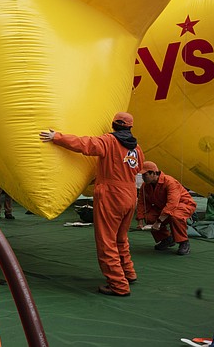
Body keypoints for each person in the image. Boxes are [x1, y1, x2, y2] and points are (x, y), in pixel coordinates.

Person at [40, 111, 143, 297]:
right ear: (130, 127)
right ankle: (128, 273)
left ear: (114, 125)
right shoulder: (137, 148)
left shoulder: (109, 141)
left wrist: (57, 137)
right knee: (121, 238)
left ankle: (119, 285)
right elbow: (137, 167)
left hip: (112, 195)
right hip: (130, 196)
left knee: (107, 242)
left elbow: (84, 144)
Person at [135, 161, 197, 255]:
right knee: (149, 216)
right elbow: (141, 203)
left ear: (153, 173)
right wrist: (140, 220)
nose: (143, 178)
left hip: (183, 204)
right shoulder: (145, 186)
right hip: (164, 207)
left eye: (145, 175)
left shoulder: (169, 182)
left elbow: (172, 204)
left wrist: (158, 222)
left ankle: (183, 242)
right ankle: (166, 239)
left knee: (175, 216)